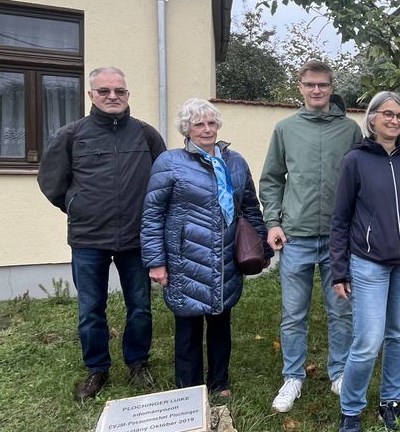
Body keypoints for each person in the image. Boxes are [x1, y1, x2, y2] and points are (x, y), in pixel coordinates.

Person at [38, 67, 165, 401]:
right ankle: (97, 368)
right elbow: (52, 183)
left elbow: (163, 180)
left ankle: (137, 362)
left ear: (127, 95)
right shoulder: (71, 135)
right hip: (88, 238)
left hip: (136, 239)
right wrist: (78, 206)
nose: (113, 97)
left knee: (140, 306)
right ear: (91, 95)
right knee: (90, 308)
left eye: (120, 91)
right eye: (105, 91)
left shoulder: (145, 135)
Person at [141, 99, 272, 401]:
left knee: (221, 321)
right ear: (186, 129)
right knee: (187, 325)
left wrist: (263, 246)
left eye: (211, 123)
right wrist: (156, 261)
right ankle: (188, 391)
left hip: (226, 255)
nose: (206, 129)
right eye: (198, 124)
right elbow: (152, 214)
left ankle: (218, 382)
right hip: (185, 256)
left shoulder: (235, 161)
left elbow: (250, 206)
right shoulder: (170, 162)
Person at [259, 60, 363, 412]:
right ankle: (292, 377)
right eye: (309, 85)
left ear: (332, 87)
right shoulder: (285, 129)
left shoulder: (350, 131)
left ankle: (340, 373)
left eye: (322, 84)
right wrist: (273, 222)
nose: (316, 90)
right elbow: (271, 179)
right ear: (300, 87)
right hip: (296, 238)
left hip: (338, 240)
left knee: (341, 310)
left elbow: (361, 182)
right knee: (293, 313)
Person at [330, 91, 400, 432]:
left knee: (399, 334)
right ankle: (351, 409)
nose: (394, 120)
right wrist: (338, 270)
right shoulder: (355, 161)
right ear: (372, 118)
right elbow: (340, 218)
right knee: (368, 340)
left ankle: (390, 400)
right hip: (368, 262)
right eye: (387, 114)